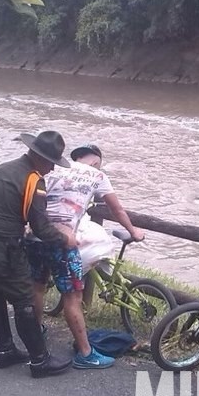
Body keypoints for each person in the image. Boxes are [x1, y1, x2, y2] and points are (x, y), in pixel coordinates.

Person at [0, 130, 77, 378]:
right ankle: (40, 360)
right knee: (24, 300)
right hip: (3, 250)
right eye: (52, 164)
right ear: (43, 159)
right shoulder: (33, 181)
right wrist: (65, 239)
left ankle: (5, 351)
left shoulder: (2, 169)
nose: (52, 170)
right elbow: (41, 227)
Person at [27, 143, 145, 369]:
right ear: (95, 161)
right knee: (73, 297)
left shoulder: (54, 167)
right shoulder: (98, 175)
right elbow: (117, 210)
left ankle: (36, 331)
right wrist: (133, 231)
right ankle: (85, 353)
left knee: (38, 286)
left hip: (36, 233)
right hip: (62, 240)